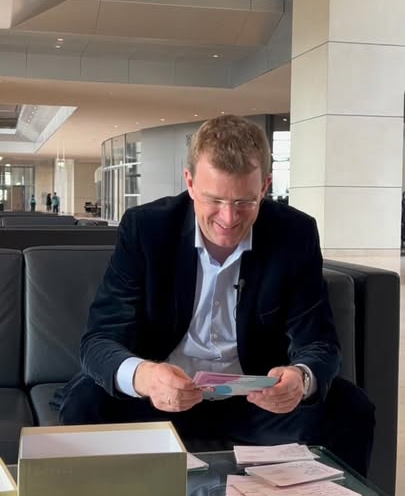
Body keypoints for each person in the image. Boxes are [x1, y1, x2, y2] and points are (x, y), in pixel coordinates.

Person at [59, 114, 374, 476]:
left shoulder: (294, 233)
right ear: (190, 182)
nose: (229, 218)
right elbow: (98, 340)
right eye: (214, 200)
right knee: (85, 402)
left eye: (244, 202)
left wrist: (300, 380)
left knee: (351, 408)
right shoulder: (146, 229)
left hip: (255, 403)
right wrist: (146, 377)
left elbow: (319, 342)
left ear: (265, 187)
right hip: (159, 399)